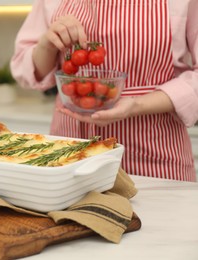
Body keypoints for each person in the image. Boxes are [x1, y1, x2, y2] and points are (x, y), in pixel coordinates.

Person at [10, 0, 198, 182]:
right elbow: (24, 66)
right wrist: (47, 45)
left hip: (155, 160)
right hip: (69, 157)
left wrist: (137, 104)